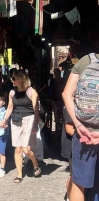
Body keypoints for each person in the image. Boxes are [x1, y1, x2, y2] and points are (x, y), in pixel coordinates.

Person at [62, 53, 99, 201]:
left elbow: (66, 94)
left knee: (79, 182)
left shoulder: (86, 60)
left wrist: (78, 125)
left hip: (84, 133)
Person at [0, 70, 41, 183]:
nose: (12, 81)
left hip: (29, 120)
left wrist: (35, 124)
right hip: (16, 121)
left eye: (14, 79)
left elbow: (36, 110)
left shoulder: (31, 92)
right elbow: (10, 108)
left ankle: (34, 162)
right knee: (18, 149)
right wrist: (4, 120)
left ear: (21, 79)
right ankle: (19, 174)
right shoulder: (12, 93)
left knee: (26, 150)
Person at [40, 68, 66, 134]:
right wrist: (39, 92)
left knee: (63, 116)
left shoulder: (64, 81)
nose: (57, 74)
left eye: (58, 72)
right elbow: (45, 86)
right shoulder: (51, 81)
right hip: (55, 101)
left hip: (63, 101)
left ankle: (62, 130)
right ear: (54, 73)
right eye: (56, 72)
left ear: (60, 73)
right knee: (57, 116)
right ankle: (58, 131)